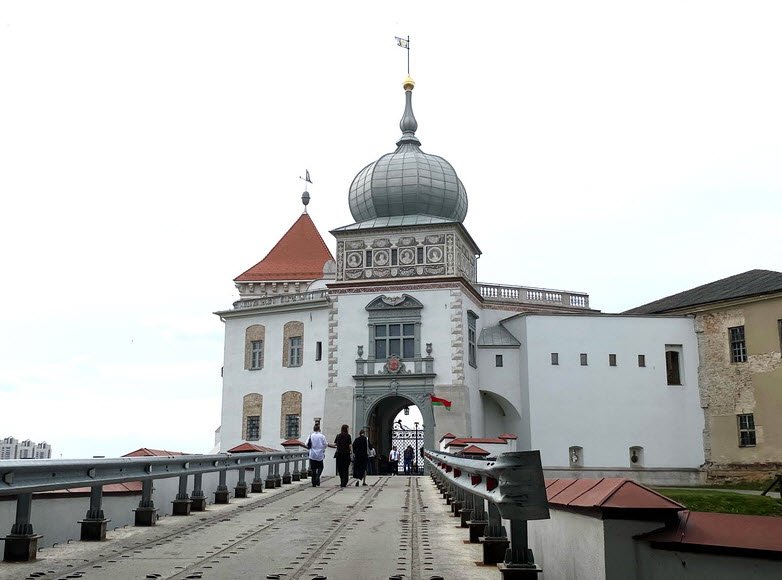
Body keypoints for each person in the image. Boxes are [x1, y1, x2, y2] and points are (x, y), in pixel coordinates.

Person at [305, 421, 328, 487]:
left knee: (313, 469)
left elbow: (306, 444)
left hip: (312, 454)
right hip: (320, 454)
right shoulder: (322, 436)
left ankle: (313, 483)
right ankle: (318, 476)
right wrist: (323, 448)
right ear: (319, 429)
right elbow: (325, 444)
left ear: (313, 429)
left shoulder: (311, 436)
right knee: (321, 467)